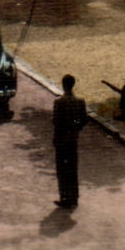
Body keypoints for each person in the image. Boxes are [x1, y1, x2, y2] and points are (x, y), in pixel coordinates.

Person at [53, 74, 87, 208]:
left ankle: (65, 197)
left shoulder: (59, 102)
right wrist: (75, 126)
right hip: (73, 139)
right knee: (73, 168)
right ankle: (74, 196)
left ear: (63, 85)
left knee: (62, 169)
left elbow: (56, 122)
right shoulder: (80, 101)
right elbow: (83, 120)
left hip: (62, 140)